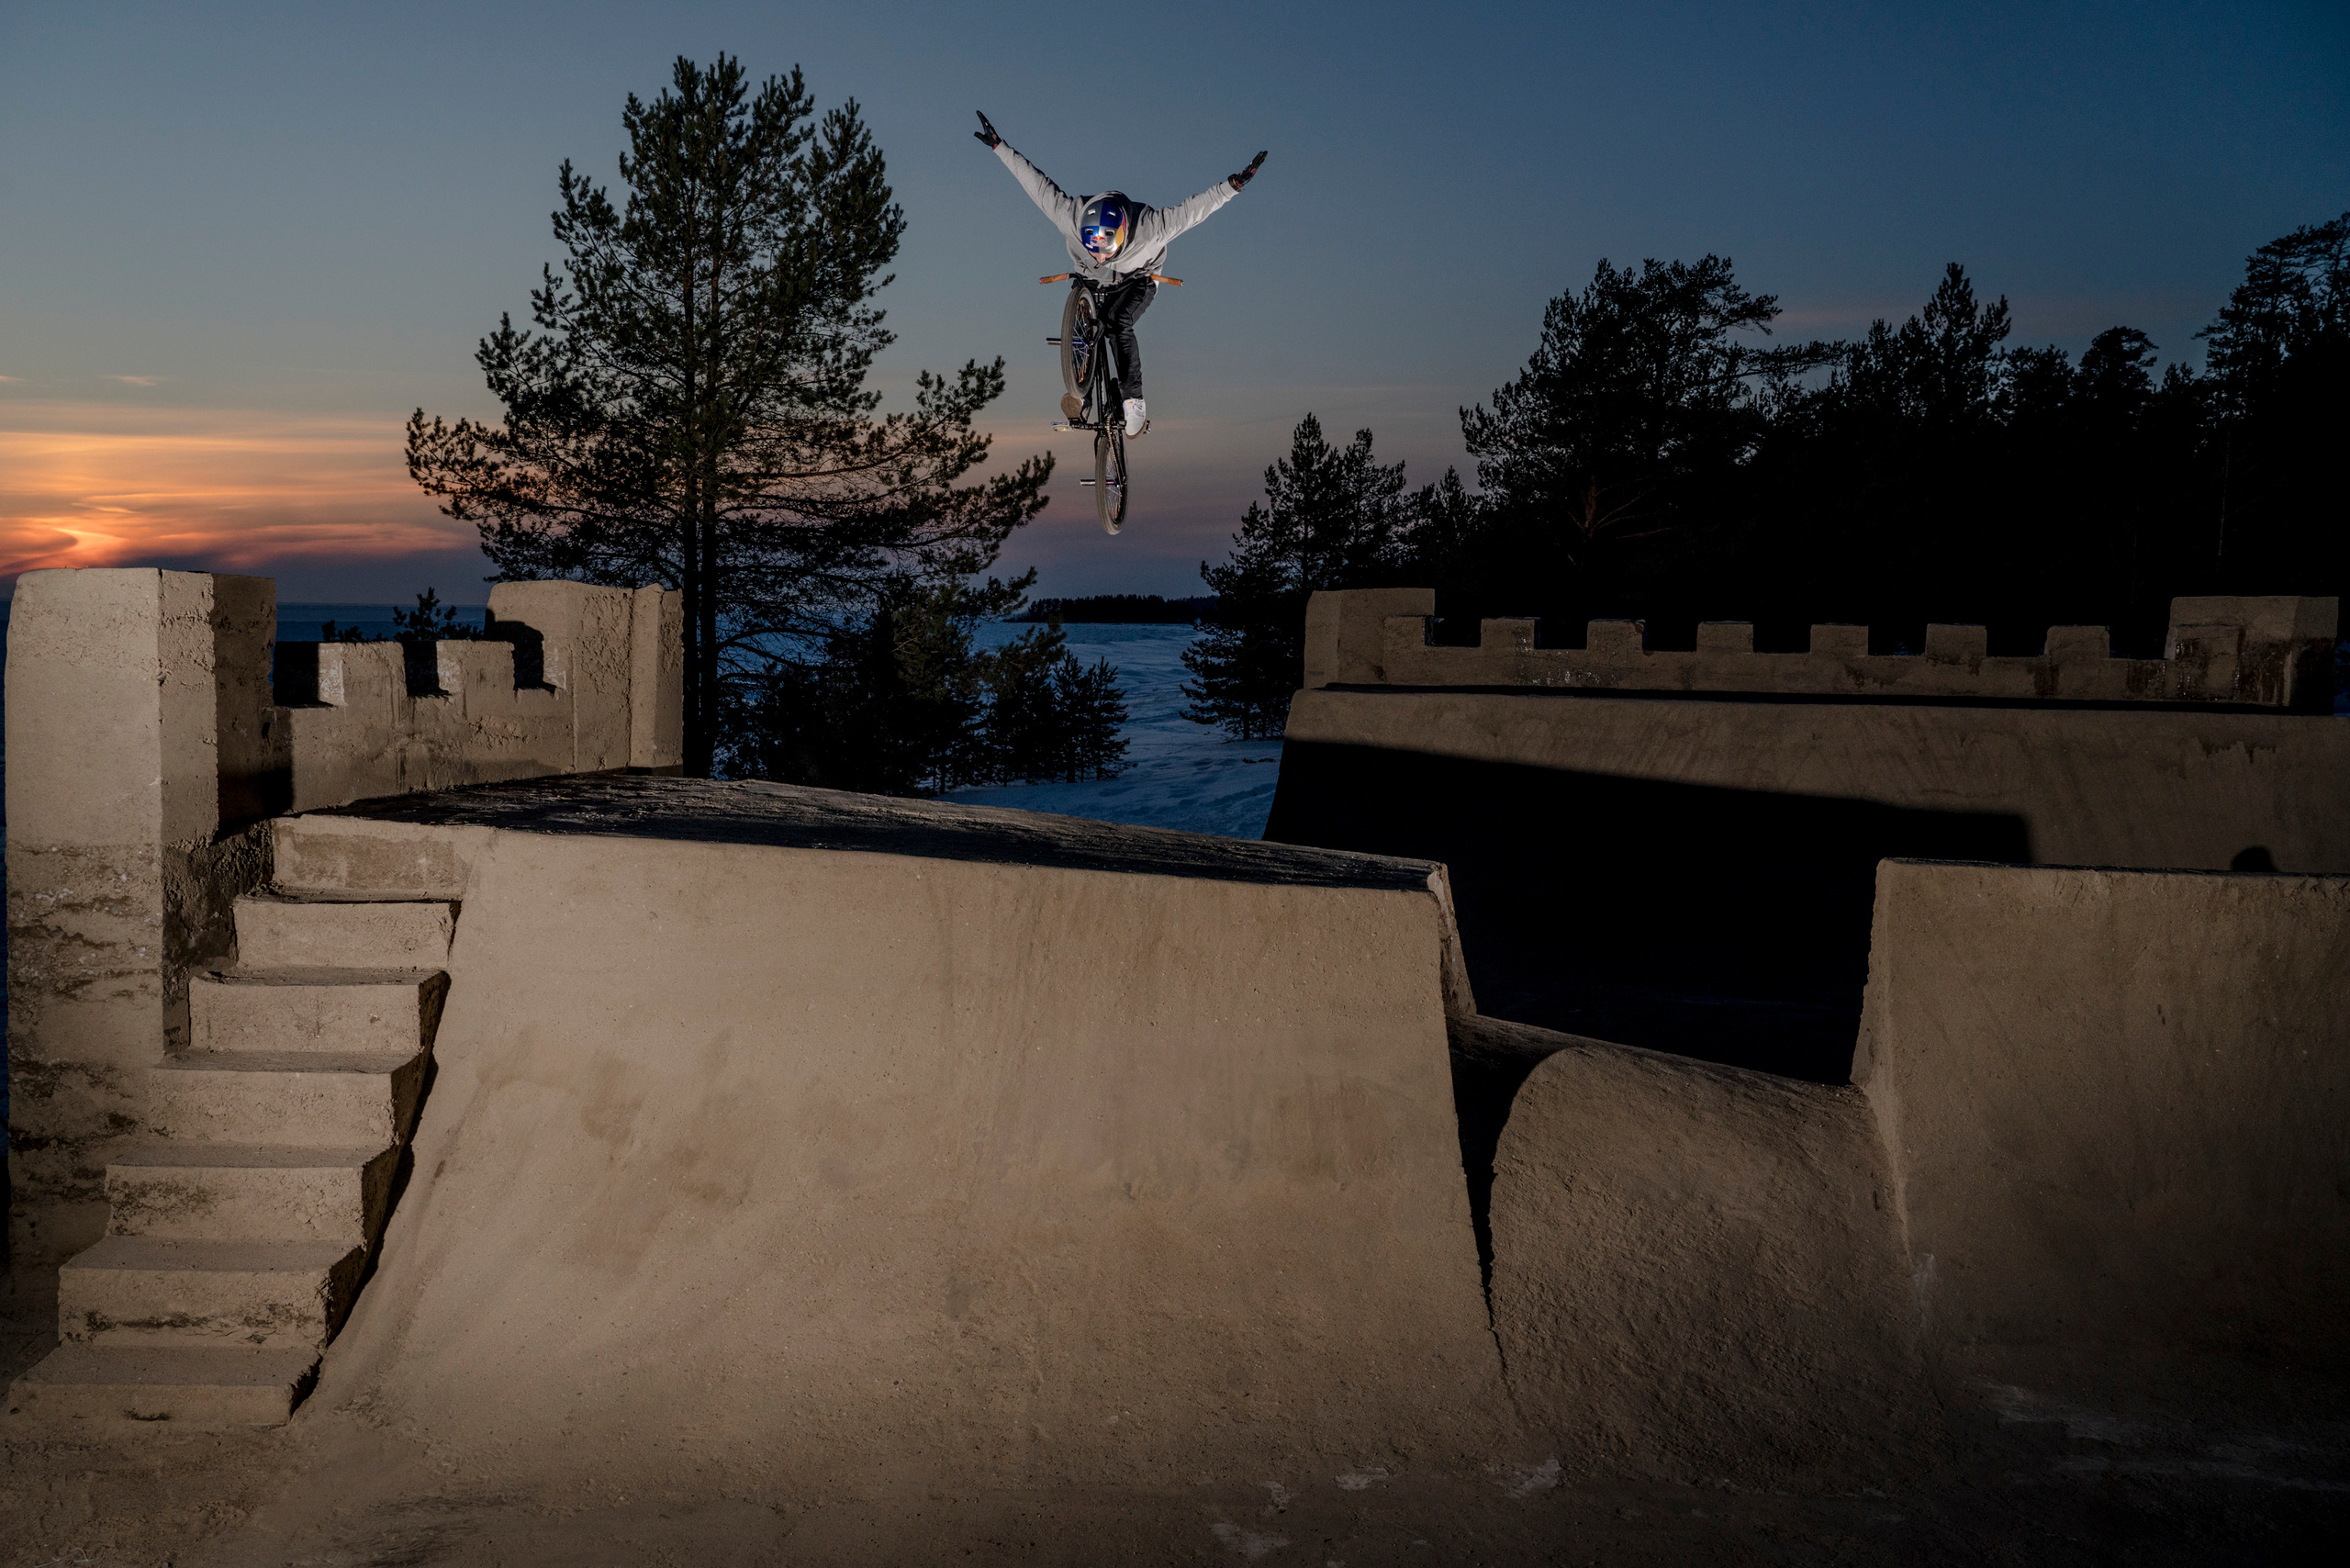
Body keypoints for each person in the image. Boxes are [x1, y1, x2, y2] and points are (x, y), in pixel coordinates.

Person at [975, 111, 1265, 437]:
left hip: (1138, 280)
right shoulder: (1069, 216)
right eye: (1092, 247)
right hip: (1090, 281)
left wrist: (1233, 186)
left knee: (1116, 323)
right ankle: (1082, 394)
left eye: (1105, 249)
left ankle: (1133, 400)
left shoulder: (1151, 228)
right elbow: (1036, 185)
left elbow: (1193, 211)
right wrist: (999, 147)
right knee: (1086, 328)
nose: (1099, 255)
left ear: (1124, 233)